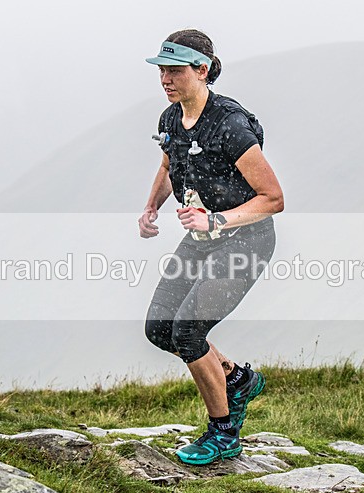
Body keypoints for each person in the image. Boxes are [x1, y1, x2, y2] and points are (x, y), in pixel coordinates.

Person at [139, 29, 284, 465]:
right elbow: (169, 164)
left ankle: (223, 434)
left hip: (246, 241)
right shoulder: (170, 118)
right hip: (201, 239)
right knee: (160, 328)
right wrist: (150, 208)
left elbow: (273, 198)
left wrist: (215, 219)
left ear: (202, 70)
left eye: (175, 70)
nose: (166, 78)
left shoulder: (229, 125)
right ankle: (237, 380)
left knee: (188, 331)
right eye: (162, 70)